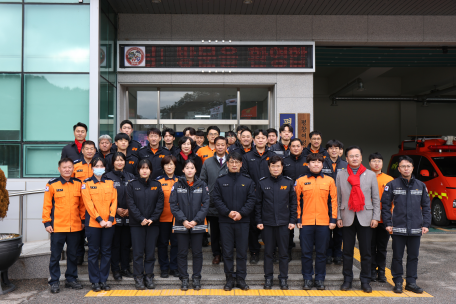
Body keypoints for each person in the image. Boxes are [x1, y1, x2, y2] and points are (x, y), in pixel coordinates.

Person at [381, 155, 431, 294]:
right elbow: (385, 206)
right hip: (398, 228)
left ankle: (411, 282)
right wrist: (388, 223)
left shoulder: (421, 185)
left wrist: (426, 224)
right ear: (399, 169)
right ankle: (397, 282)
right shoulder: (392, 185)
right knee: (397, 256)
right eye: (403, 166)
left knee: (413, 256)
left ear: (413, 168)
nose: (406, 168)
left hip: (415, 228)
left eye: (408, 166)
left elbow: (426, 206)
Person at [336, 146, 380, 293]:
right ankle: (347, 280)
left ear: (361, 158)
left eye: (357, 156)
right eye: (351, 156)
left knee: (366, 252)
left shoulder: (370, 175)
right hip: (347, 216)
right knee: (347, 251)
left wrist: (375, 217)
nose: (354, 158)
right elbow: (338, 198)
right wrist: (338, 217)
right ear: (346, 159)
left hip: (366, 217)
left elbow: (375, 198)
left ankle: (365, 281)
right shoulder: (341, 175)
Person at [212, 152, 256, 291]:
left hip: (243, 221)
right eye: (231, 162)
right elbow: (216, 199)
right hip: (225, 221)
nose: (234, 164)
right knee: (227, 251)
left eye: (237, 162)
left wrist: (241, 213)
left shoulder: (248, 181)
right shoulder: (220, 180)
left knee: (242, 252)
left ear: (241, 164)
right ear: (228, 163)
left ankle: (241, 279)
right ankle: (229, 279)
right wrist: (228, 213)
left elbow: (251, 200)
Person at [42, 158, 85, 294]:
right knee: (55, 256)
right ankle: (54, 281)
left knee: (72, 255)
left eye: (69, 167)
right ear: (59, 169)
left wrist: (83, 220)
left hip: (75, 227)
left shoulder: (79, 183)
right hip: (57, 227)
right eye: (64, 167)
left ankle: (71, 279)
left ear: (73, 169)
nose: (67, 169)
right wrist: (47, 222)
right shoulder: (52, 184)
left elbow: (82, 205)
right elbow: (47, 205)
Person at [295, 153, 337, 290]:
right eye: (313, 162)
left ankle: (319, 279)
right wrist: (298, 218)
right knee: (306, 252)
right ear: (308, 164)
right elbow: (297, 202)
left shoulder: (330, 180)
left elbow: (333, 202)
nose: (316, 164)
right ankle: (307, 278)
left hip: (324, 222)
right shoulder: (300, 180)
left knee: (321, 253)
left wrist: (333, 219)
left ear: (323, 164)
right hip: (306, 222)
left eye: (319, 162)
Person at [256, 155, 297, 290]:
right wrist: (259, 220)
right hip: (267, 224)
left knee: (284, 253)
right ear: (269, 167)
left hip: (284, 224)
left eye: (278, 166)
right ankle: (268, 278)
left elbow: (293, 204)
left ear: (282, 167)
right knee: (268, 252)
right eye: (273, 166)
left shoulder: (288, 182)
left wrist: (292, 220)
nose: (275, 168)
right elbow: (258, 204)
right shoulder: (262, 182)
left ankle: (283, 279)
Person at [170, 159, 210, 291]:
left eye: (192, 168)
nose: (189, 170)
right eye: (187, 168)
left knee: (197, 253)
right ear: (183, 170)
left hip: (197, 225)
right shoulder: (177, 185)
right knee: (182, 253)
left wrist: (195, 220)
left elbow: (205, 205)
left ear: (195, 170)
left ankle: (197, 278)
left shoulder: (202, 185)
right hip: (182, 225)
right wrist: (184, 220)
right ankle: (184, 279)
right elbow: (173, 205)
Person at [126, 159, 164, 290]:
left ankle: (149, 276)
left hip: (153, 224)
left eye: (147, 168)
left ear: (151, 170)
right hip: (137, 224)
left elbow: (160, 204)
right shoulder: (132, 185)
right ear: (138, 170)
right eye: (142, 168)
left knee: (150, 252)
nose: (144, 170)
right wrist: (141, 218)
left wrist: (152, 218)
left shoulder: (156, 185)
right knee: (137, 252)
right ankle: (138, 277)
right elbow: (131, 204)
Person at [81, 157, 117, 292]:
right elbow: (88, 204)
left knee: (107, 252)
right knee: (94, 253)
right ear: (92, 168)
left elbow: (114, 201)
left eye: (102, 165)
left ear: (105, 168)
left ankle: (103, 280)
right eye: (97, 165)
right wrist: (100, 219)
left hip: (109, 223)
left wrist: (110, 218)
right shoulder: (86, 183)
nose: (99, 168)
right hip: (94, 224)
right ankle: (95, 281)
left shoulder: (110, 182)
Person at [241, 129, 275, 264]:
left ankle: (271, 251)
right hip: (252, 196)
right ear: (253, 140)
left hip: (270, 196)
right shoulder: (247, 157)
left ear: (267, 140)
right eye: (258, 138)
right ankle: (254, 251)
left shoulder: (272, 156)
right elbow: (244, 174)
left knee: (270, 224)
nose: (260, 140)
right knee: (253, 225)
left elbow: (278, 172)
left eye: (263, 138)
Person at [105, 152, 135, 281]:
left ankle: (125, 268)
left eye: (121, 160)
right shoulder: (107, 177)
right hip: (113, 216)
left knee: (126, 245)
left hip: (129, 216)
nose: (119, 162)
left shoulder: (131, 177)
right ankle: (115, 270)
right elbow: (105, 198)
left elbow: (135, 195)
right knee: (115, 244)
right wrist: (115, 209)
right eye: (117, 160)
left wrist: (129, 209)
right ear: (113, 162)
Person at [200, 136, 229, 265]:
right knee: (215, 232)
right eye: (218, 145)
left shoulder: (232, 161)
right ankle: (216, 254)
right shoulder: (208, 162)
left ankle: (227, 254)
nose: (220, 147)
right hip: (212, 203)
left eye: (223, 144)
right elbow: (202, 180)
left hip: (229, 203)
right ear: (214, 146)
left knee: (227, 232)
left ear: (226, 146)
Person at [368, 152, 394, 283]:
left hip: (384, 219)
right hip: (369, 218)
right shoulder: (365, 177)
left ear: (382, 163)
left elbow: (394, 201)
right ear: (369, 163)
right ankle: (372, 271)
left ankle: (382, 271)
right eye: (373, 161)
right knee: (370, 246)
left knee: (382, 247)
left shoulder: (389, 179)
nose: (376, 163)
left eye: (379, 161)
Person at [322, 139, 347, 266]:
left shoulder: (345, 165)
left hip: (341, 201)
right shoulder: (321, 163)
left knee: (339, 230)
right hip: (324, 201)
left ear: (340, 151)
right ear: (327, 151)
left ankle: (338, 253)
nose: (333, 150)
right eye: (331, 148)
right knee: (326, 230)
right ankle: (327, 253)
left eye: (336, 148)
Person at [282, 138, 307, 260]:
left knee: (304, 226)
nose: (296, 148)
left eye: (298, 146)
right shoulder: (284, 161)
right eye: (293, 146)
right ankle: (287, 252)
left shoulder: (308, 161)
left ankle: (305, 252)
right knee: (289, 226)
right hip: (288, 198)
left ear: (302, 148)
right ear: (289, 147)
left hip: (306, 198)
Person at [72, 140, 96, 265]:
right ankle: (79, 256)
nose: (89, 151)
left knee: (93, 230)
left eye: (92, 149)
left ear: (95, 151)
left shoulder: (98, 165)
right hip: (79, 202)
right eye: (87, 149)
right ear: (82, 150)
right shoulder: (75, 165)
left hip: (95, 203)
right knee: (79, 230)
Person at [156, 156, 179, 278]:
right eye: (166, 164)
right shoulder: (158, 181)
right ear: (163, 166)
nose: (169, 167)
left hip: (177, 219)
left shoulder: (181, 181)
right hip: (162, 218)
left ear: (175, 166)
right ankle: (164, 267)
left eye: (171, 164)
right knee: (163, 243)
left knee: (176, 243)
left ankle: (174, 267)